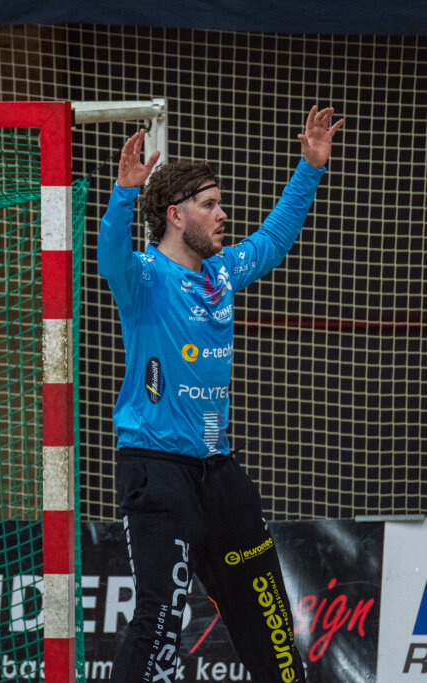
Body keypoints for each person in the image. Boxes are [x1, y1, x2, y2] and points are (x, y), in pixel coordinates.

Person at [98, 106, 343, 683]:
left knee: (268, 615)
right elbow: (109, 253)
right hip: (156, 469)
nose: (223, 214)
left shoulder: (223, 273)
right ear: (175, 215)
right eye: (210, 205)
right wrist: (123, 195)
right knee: (160, 620)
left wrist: (309, 167)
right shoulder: (143, 277)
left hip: (218, 472)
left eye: (221, 203)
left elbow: (274, 238)